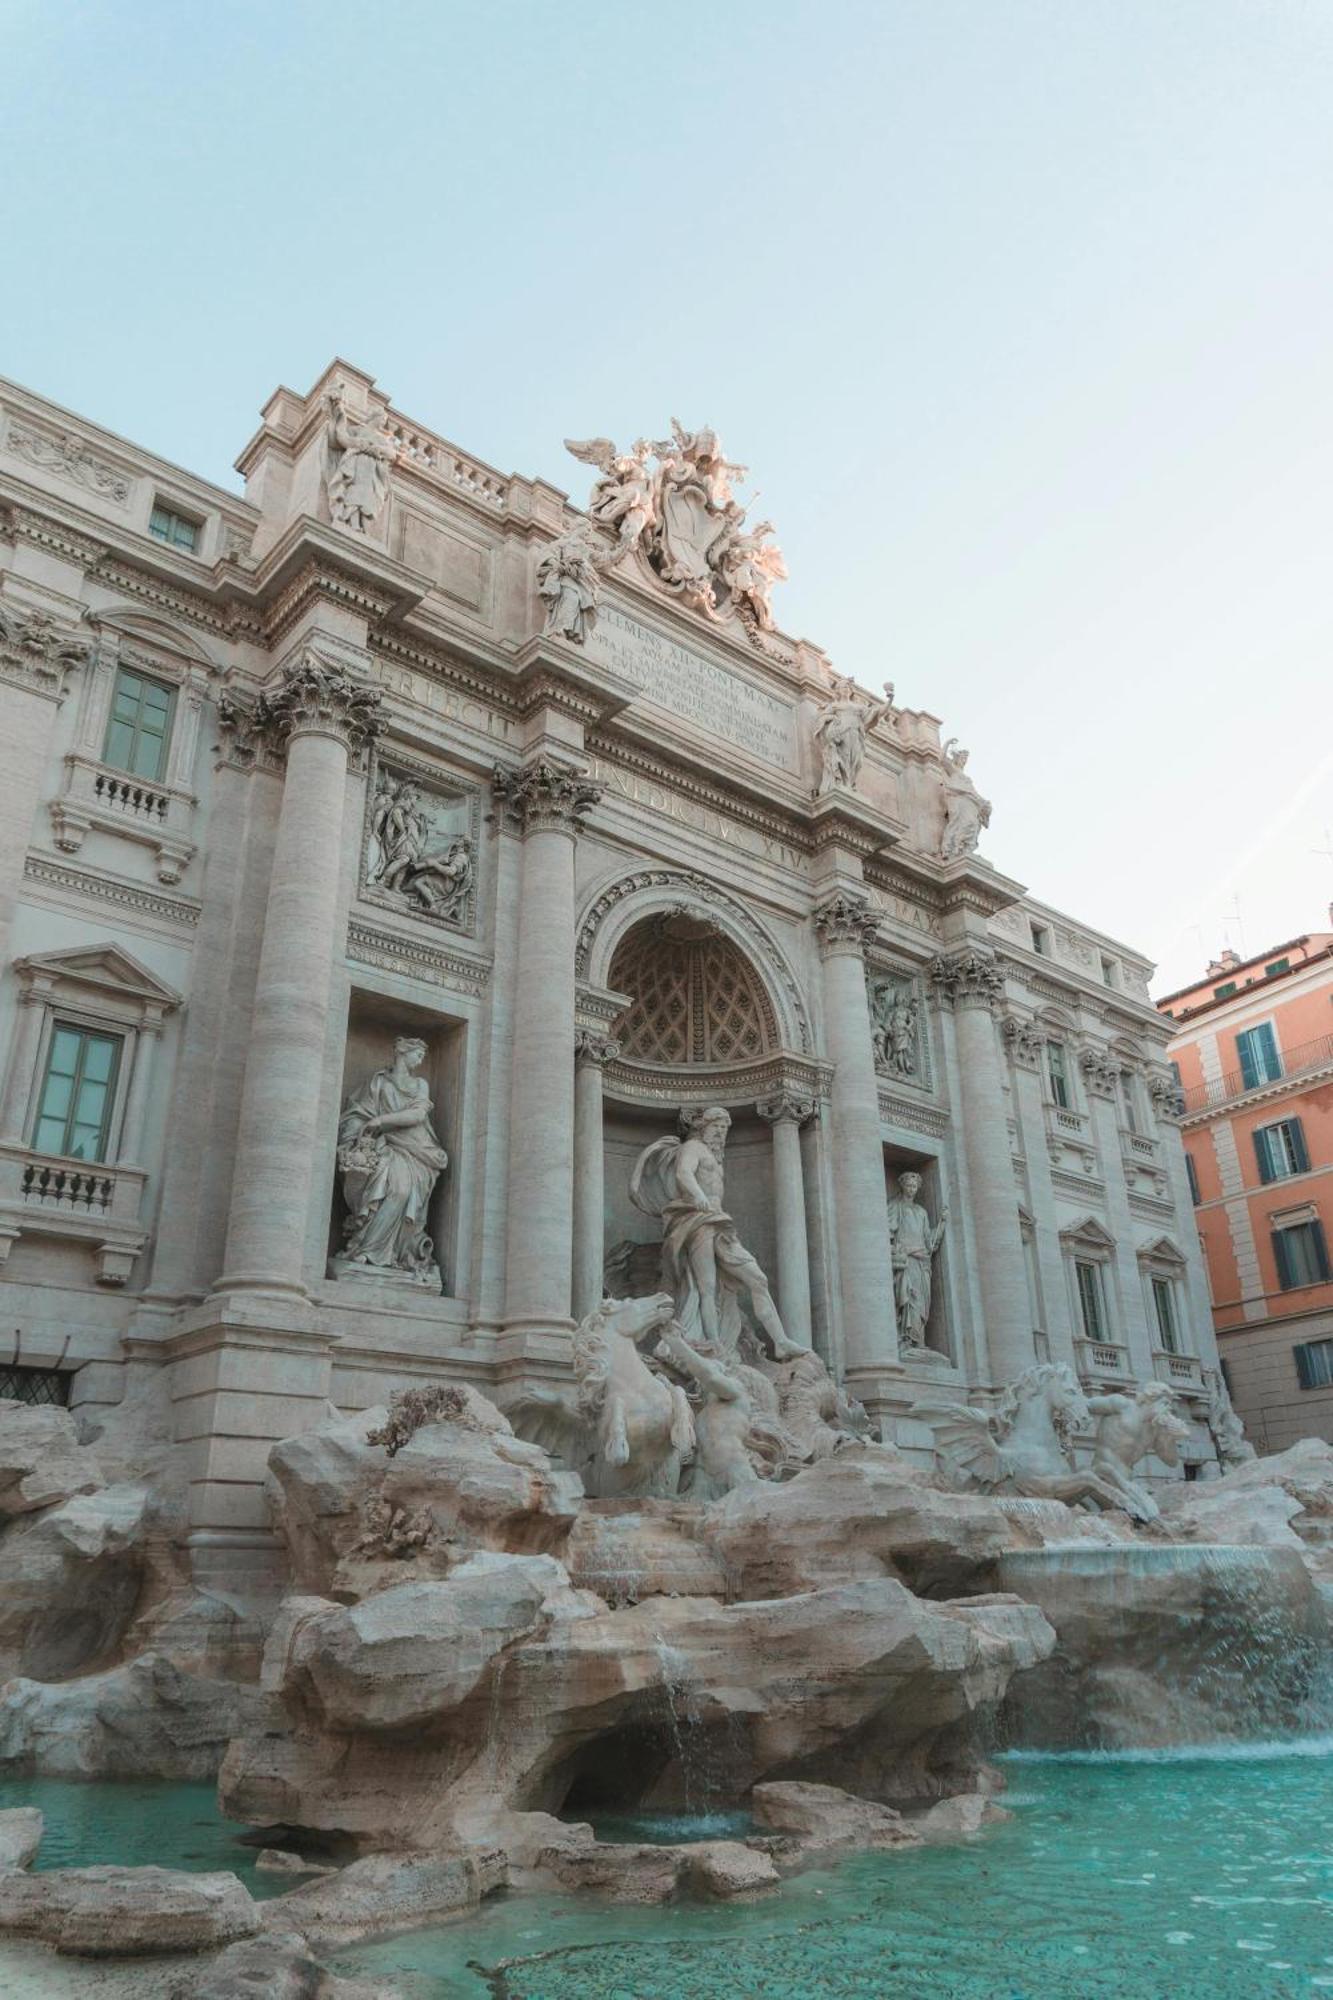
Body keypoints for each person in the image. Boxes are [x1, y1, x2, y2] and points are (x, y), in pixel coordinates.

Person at [631, 1106, 803, 1362]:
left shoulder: (716, 1155)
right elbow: (683, 1173)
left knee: (757, 1279)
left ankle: (781, 1342)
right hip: (697, 1220)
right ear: (703, 1127)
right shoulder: (693, 1147)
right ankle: (714, 1346)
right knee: (706, 1287)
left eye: (724, 1129)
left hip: (719, 1222)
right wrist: (698, 1196)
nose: (721, 1133)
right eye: (716, 1127)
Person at [334, 1037, 449, 1282]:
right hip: (383, 1145)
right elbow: (358, 1112)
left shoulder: (420, 1084)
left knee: (402, 1191)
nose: (420, 1061)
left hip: (416, 1148)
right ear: (402, 1053)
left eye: (422, 1057)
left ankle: (387, 1253)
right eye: (417, 1055)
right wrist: (360, 1132)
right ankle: (367, 1250)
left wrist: (380, 1121)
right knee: (386, 1189)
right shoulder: (377, 1083)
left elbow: (418, 1114)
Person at [886, 1171, 947, 1350]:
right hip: (907, 1260)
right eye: (908, 1186)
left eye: (914, 1187)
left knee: (921, 1302)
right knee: (909, 1299)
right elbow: (887, 1232)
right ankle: (906, 1339)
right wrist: (897, 1250)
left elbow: (929, 1242)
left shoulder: (921, 1212)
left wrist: (942, 1223)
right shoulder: (895, 1206)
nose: (911, 1189)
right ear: (902, 1186)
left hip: (922, 1262)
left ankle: (919, 1340)